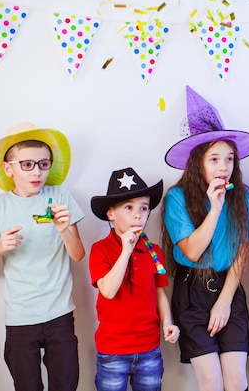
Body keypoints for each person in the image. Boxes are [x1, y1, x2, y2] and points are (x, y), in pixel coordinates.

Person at [161, 86, 249, 391]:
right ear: (198, 163)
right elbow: (191, 251)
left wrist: (225, 302)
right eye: (214, 159)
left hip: (228, 289)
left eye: (229, 159)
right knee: (211, 382)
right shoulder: (177, 198)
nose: (223, 167)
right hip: (191, 293)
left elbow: (242, 251)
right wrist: (215, 209)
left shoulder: (243, 196)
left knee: (236, 380)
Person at [0, 122, 85, 391]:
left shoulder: (60, 196)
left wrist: (64, 230)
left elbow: (78, 254)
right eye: (26, 164)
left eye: (43, 164)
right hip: (20, 318)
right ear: (8, 168)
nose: (37, 172)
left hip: (60, 314)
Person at [89, 167, 180, 391]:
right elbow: (108, 290)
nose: (138, 214)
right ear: (111, 213)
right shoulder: (100, 250)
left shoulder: (154, 251)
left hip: (149, 349)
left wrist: (168, 322)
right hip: (112, 351)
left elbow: (160, 293)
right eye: (128, 208)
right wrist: (126, 252)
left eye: (144, 208)